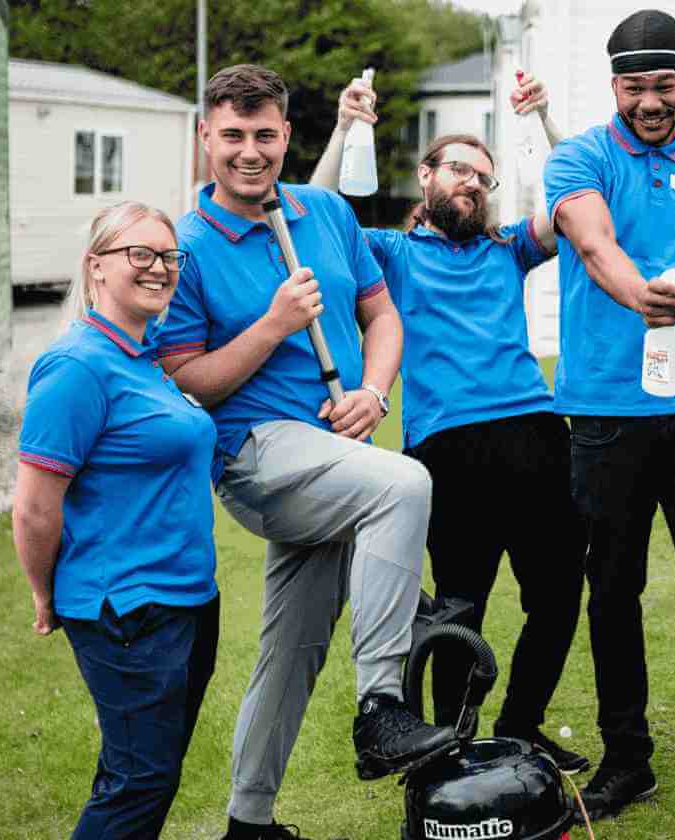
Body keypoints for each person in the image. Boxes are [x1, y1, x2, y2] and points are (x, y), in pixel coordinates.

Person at [155, 64, 455, 840]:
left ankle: (247, 821)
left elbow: (382, 317)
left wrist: (375, 393)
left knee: (291, 650)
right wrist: (273, 324)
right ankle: (381, 708)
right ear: (206, 139)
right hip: (257, 456)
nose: (249, 152)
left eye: (263, 135)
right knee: (404, 486)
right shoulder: (184, 247)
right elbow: (191, 380)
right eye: (232, 136)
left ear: (287, 135)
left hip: (330, 449)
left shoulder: (323, 211)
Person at [307, 73, 593, 773]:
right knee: (460, 607)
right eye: (461, 170)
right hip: (448, 446)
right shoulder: (392, 255)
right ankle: (449, 751)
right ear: (426, 177)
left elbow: (580, 205)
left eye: (485, 178)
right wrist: (346, 127)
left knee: (557, 598)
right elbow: (313, 214)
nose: (473, 184)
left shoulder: (509, 250)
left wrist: (546, 117)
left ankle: (522, 728)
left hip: (536, 432)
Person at [545, 8, 675, 820]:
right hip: (604, 411)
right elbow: (594, 245)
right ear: (615, 88)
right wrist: (644, 297)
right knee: (613, 587)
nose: (650, 100)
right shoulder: (580, 159)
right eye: (635, 86)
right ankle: (627, 757)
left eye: (663, 84)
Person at [12, 201, 221, 839]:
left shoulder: (141, 358)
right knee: (138, 780)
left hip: (187, 598)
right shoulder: (77, 366)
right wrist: (46, 596)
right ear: (96, 266)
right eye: (140, 254)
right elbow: (33, 506)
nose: (158, 268)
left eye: (167, 256)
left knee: (146, 771)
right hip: (127, 608)